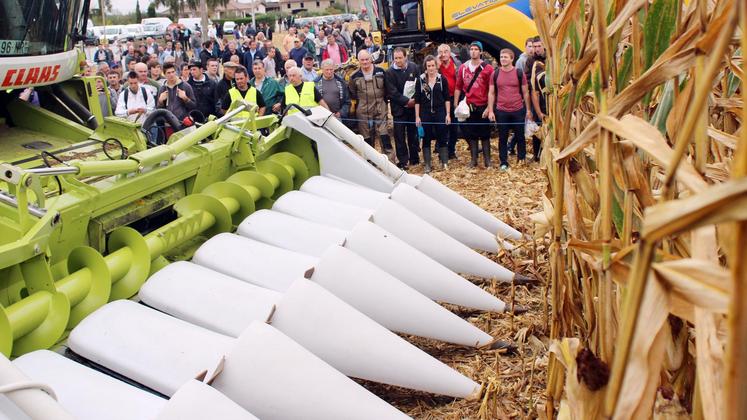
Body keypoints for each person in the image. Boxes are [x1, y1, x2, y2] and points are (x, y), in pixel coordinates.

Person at [487, 49, 531, 170]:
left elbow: (525, 92)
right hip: (501, 110)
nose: (503, 59)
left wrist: (528, 110)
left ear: (512, 59)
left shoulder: (519, 73)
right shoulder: (495, 74)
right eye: (501, 57)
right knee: (502, 137)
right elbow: (491, 93)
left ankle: (521, 158)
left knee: (520, 136)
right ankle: (503, 161)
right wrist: (491, 110)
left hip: (518, 109)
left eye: (506, 57)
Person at [454, 41, 494, 168]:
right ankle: (474, 159)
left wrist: (489, 107)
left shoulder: (488, 69)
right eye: (471, 49)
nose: (473, 51)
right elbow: (458, 87)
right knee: (471, 134)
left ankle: (488, 160)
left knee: (485, 134)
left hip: (483, 105)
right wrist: (456, 103)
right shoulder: (463, 68)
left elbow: (492, 90)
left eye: (476, 49)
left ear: (481, 52)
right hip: (469, 106)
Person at [348, 50, 393, 158]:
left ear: (371, 59)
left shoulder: (381, 72)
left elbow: (388, 90)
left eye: (367, 59)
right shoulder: (354, 76)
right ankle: (370, 165)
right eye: (362, 60)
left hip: (380, 109)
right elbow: (352, 94)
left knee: (384, 136)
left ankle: (391, 165)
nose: (365, 62)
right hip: (363, 111)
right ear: (358, 61)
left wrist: (385, 103)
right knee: (367, 140)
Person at [415, 55, 451, 173]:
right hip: (425, 112)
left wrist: (448, 114)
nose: (431, 68)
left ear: (436, 66)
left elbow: (447, 98)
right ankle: (427, 164)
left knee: (442, 135)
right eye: (428, 66)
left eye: (433, 66)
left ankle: (444, 162)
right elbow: (417, 100)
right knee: (426, 137)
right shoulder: (420, 80)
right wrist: (417, 116)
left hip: (440, 111)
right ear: (425, 67)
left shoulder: (442, 79)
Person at [385, 47, 420, 168]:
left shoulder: (414, 67)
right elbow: (392, 92)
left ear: (406, 57)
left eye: (400, 58)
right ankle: (403, 160)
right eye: (396, 58)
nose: (398, 60)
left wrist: (414, 100)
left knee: (413, 134)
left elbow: (419, 85)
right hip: (398, 109)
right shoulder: (389, 72)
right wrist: (406, 101)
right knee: (399, 136)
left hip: (413, 108)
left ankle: (415, 158)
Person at [438, 43, 461, 159]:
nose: (443, 54)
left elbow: (459, 82)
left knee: (454, 127)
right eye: (441, 52)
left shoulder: (456, 64)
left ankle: (451, 150)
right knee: (442, 127)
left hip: (453, 98)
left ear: (449, 52)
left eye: (445, 51)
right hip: (441, 100)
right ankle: (441, 150)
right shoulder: (437, 65)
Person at [527, 36, 546, 162]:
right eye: (534, 47)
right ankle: (537, 155)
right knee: (537, 127)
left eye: (539, 46)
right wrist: (538, 111)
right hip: (538, 99)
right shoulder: (531, 62)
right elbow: (532, 89)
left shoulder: (551, 57)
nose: (536, 49)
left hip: (552, 96)